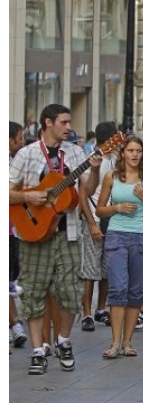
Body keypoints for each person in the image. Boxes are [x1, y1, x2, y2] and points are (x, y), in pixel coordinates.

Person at [9, 104, 102, 375]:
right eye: (63, 122)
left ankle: (63, 339)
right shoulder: (26, 155)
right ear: (47, 123)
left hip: (68, 233)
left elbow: (89, 189)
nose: (68, 127)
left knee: (71, 292)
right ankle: (38, 350)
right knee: (34, 291)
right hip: (33, 233)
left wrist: (94, 169)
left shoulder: (74, 153)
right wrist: (28, 197)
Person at [96, 135, 143, 358]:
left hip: (142, 235)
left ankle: (128, 341)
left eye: (138, 151)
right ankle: (115, 342)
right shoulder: (111, 176)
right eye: (130, 150)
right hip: (116, 234)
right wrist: (116, 208)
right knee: (117, 287)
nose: (134, 155)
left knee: (136, 290)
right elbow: (99, 209)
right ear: (122, 153)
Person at [78, 121, 118, 333]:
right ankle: (86, 312)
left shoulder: (114, 160)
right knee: (90, 270)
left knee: (105, 269)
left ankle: (101, 308)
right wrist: (92, 223)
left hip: (111, 219)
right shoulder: (91, 160)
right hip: (94, 218)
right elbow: (83, 195)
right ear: (110, 138)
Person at [9, 121, 28, 350]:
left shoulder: (14, 161)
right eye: (20, 138)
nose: (22, 142)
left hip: (13, 229)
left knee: (9, 282)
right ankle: (14, 326)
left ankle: (13, 326)